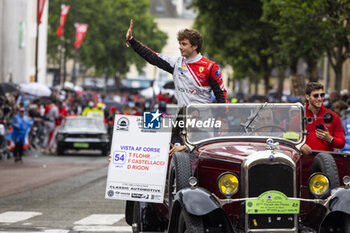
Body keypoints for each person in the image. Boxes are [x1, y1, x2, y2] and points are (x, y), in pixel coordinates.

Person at [125, 19, 228, 107]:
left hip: (203, 120)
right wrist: (132, 40)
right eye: (179, 44)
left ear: (195, 46)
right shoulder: (176, 63)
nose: (180, 47)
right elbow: (151, 56)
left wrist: (223, 120)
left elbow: (221, 94)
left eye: (184, 44)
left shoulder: (210, 67)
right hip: (182, 117)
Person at [303, 82, 345, 151]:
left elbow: (342, 143)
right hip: (305, 159)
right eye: (316, 96)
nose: (320, 98)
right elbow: (290, 138)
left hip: (326, 160)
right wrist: (300, 145)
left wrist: (330, 139)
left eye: (322, 95)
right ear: (307, 97)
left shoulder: (333, 116)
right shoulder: (299, 116)